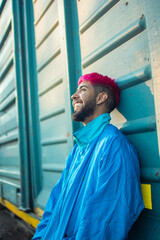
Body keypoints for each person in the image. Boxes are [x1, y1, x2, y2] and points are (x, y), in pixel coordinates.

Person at [32, 73, 144, 240]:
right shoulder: (78, 150)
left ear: (101, 98)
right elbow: (54, 206)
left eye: (82, 89)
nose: (73, 96)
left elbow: (106, 224)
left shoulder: (113, 146)